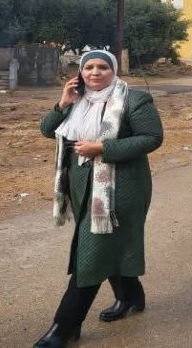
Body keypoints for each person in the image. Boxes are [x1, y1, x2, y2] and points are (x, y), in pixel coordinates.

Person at [35, 50, 164, 347]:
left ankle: (65, 326)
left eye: (103, 67)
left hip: (120, 190)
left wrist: (103, 149)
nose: (95, 72)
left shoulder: (134, 99)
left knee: (92, 252)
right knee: (110, 246)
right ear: (80, 72)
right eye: (89, 67)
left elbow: (152, 138)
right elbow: (47, 130)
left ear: (113, 70)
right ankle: (131, 297)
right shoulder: (77, 100)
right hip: (82, 187)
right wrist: (62, 103)